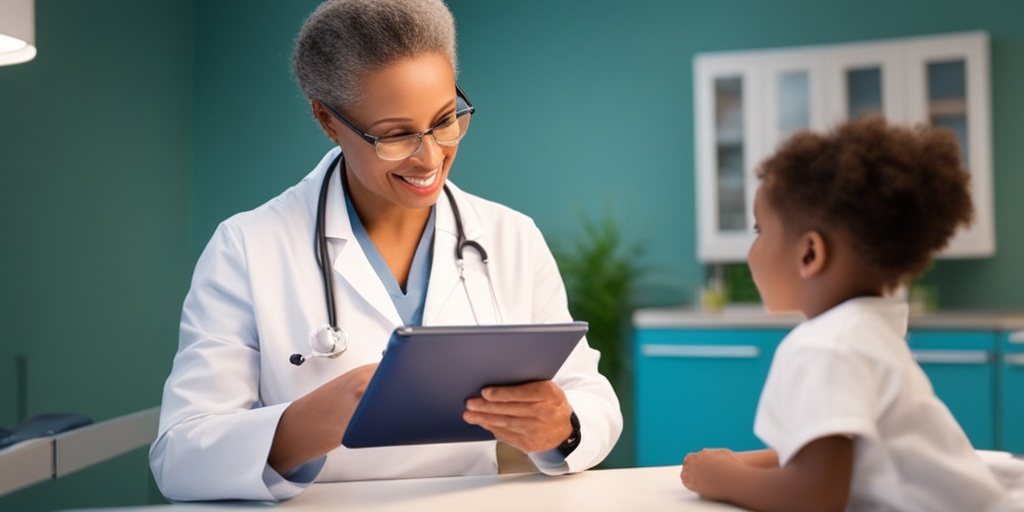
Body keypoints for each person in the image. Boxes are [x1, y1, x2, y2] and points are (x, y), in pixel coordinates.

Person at [149, 0, 622, 502]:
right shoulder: (248, 247)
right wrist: (321, 416)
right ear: (328, 120)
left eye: (445, 120)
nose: (430, 156)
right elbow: (179, 456)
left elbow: (590, 397)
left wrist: (561, 426)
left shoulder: (510, 237)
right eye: (396, 136)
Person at [679, 116, 1024, 511]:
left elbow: (815, 496)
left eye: (760, 231)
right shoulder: (865, 329)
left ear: (809, 253)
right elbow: (845, 448)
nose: (751, 251)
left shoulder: (827, 345)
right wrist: (739, 461)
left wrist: (722, 479)